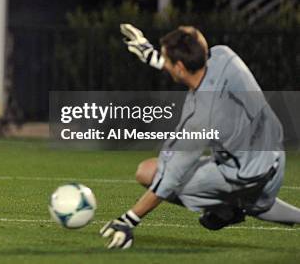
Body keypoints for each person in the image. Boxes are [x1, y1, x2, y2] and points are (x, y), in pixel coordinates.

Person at [100, 24, 300, 249]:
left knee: (148, 172)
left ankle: (226, 209)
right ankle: (238, 208)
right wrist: (152, 56)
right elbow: (196, 46)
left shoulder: (201, 118)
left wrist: (129, 220)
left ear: (179, 68)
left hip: (243, 178)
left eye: (167, 59)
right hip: (273, 160)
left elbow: (168, 180)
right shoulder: (224, 56)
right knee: (260, 205)